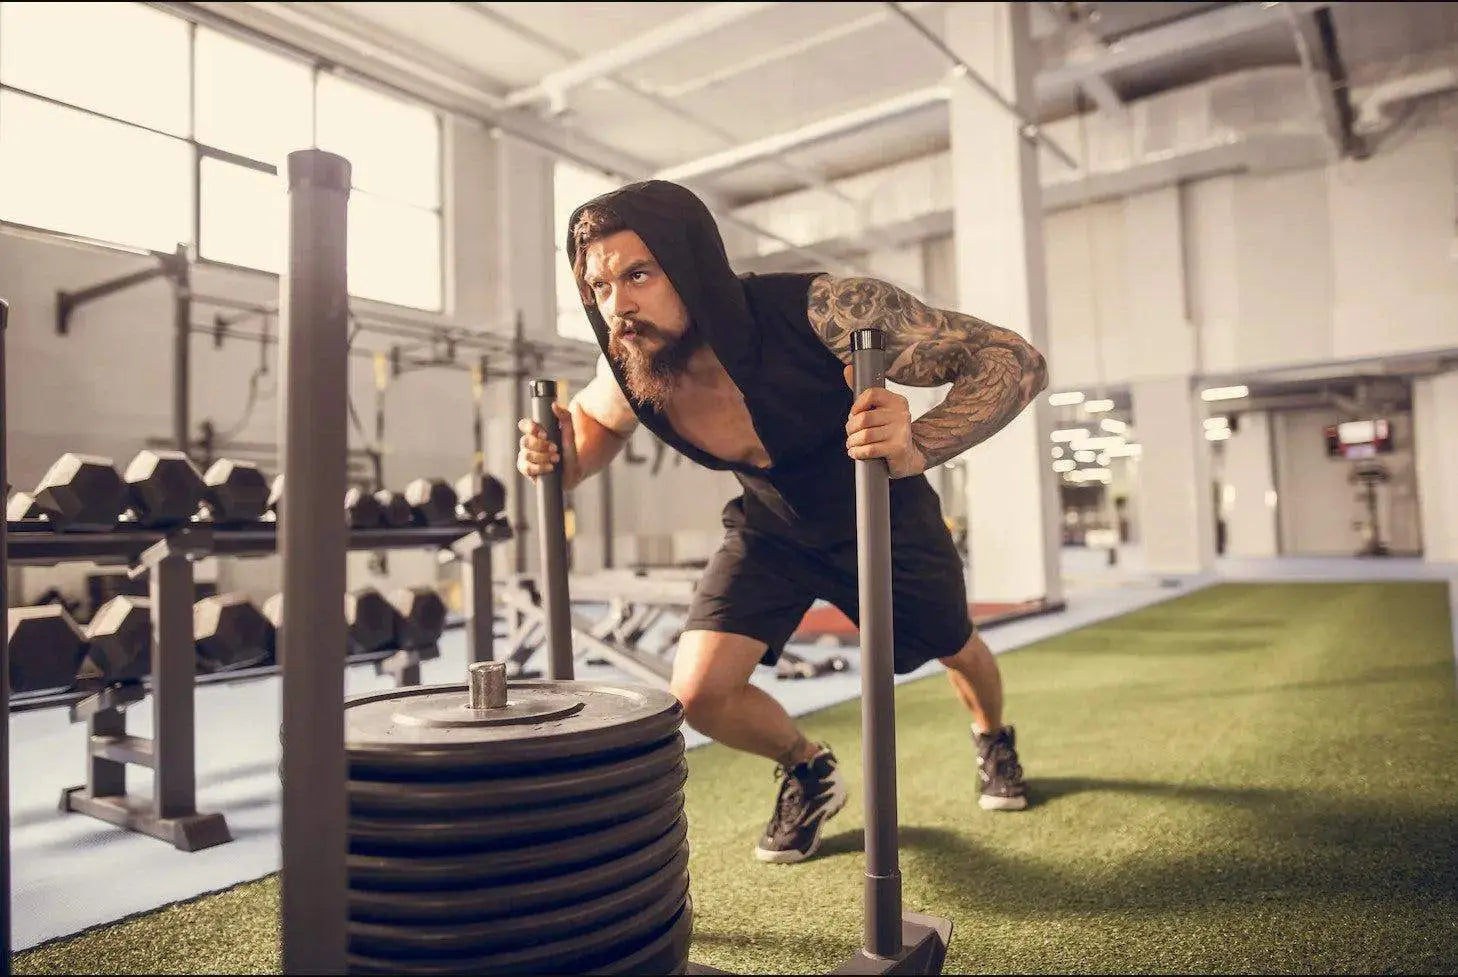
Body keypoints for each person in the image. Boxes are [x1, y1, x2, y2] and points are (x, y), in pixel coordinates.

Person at [517, 180, 1049, 865]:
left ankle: (992, 735)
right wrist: (561, 455)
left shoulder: (826, 309)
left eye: (639, 274)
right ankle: (808, 768)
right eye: (600, 285)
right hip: (773, 526)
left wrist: (921, 440)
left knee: (955, 643)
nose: (619, 303)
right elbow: (593, 424)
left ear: (692, 263)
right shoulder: (629, 363)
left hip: (881, 511)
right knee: (700, 693)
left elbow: (1014, 360)